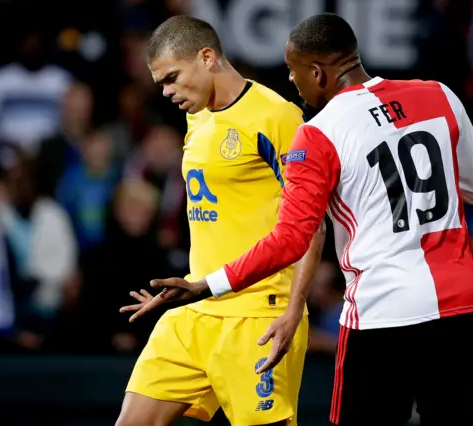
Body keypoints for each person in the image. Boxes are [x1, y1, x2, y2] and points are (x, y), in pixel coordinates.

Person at [137, 13, 473, 426]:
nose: (292, 82)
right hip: (461, 302)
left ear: (318, 73)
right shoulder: (439, 94)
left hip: (382, 308)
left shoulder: (319, 130)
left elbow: (292, 237)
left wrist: (205, 285)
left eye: (293, 71)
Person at [116, 15, 325, 426]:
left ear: (207, 57)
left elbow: (312, 223)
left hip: (260, 315)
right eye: (160, 83)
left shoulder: (276, 116)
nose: (167, 92)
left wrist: (294, 309)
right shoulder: (197, 117)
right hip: (195, 310)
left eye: (172, 77)